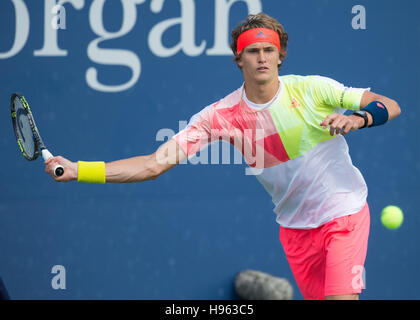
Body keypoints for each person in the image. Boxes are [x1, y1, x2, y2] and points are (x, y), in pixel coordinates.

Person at [45, 13, 401, 300]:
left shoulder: (312, 89)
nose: (262, 57)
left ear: (280, 56)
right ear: (239, 59)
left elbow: (390, 105)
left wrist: (357, 118)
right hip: (294, 229)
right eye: (252, 51)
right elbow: (154, 164)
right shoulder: (218, 117)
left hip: (345, 213)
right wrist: (78, 170)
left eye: (268, 50)